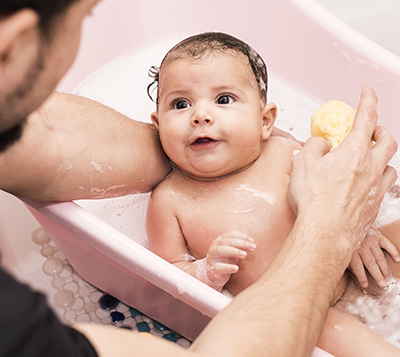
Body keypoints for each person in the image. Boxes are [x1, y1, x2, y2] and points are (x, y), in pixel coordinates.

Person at [0, 1, 396, 356]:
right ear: (4, 54)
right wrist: (323, 239)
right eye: (87, 16)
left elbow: (43, 138)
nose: (200, 114)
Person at [146, 32, 400, 355]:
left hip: (353, 262)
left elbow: (340, 195)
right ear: (157, 124)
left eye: (223, 99)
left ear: (265, 121)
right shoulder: (169, 201)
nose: (200, 115)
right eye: (180, 104)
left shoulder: (284, 150)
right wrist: (205, 270)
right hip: (302, 308)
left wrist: (358, 232)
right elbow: (167, 275)